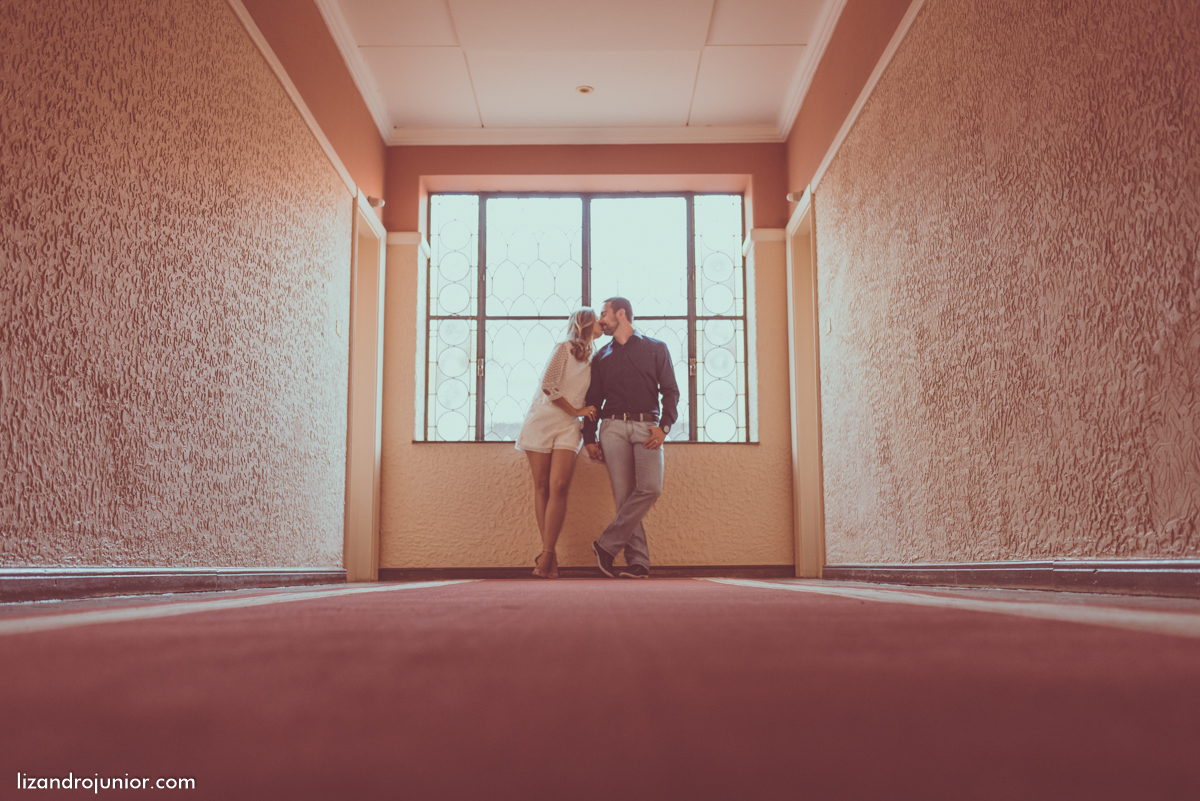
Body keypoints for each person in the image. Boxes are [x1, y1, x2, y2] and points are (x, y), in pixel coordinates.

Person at [583, 297, 680, 579]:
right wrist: (589, 436)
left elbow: (671, 391)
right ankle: (638, 563)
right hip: (612, 428)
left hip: (647, 427)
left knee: (650, 488)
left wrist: (665, 427)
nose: (600, 320)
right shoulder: (601, 357)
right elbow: (593, 400)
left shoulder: (656, 349)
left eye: (604, 314)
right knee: (624, 496)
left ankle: (606, 546)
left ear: (621, 313)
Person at [515, 308, 603, 578]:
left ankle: (546, 555)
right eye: (598, 320)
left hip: (569, 428)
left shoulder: (597, 358)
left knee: (560, 485)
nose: (602, 324)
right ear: (587, 323)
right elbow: (549, 385)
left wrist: (583, 420)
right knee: (541, 486)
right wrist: (577, 410)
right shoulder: (563, 348)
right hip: (542, 421)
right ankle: (549, 555)